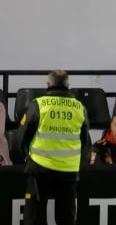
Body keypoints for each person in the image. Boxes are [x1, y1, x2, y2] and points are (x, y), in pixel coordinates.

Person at [20, 70, 90, 225]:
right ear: (67, 85)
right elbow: (84, 139)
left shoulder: (38, 104)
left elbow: (23, 135)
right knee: (66, 216)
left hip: (40, 166)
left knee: (34, 215)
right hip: (68, 170)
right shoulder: (79, 107)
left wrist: (26, 155)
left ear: (48, 84)